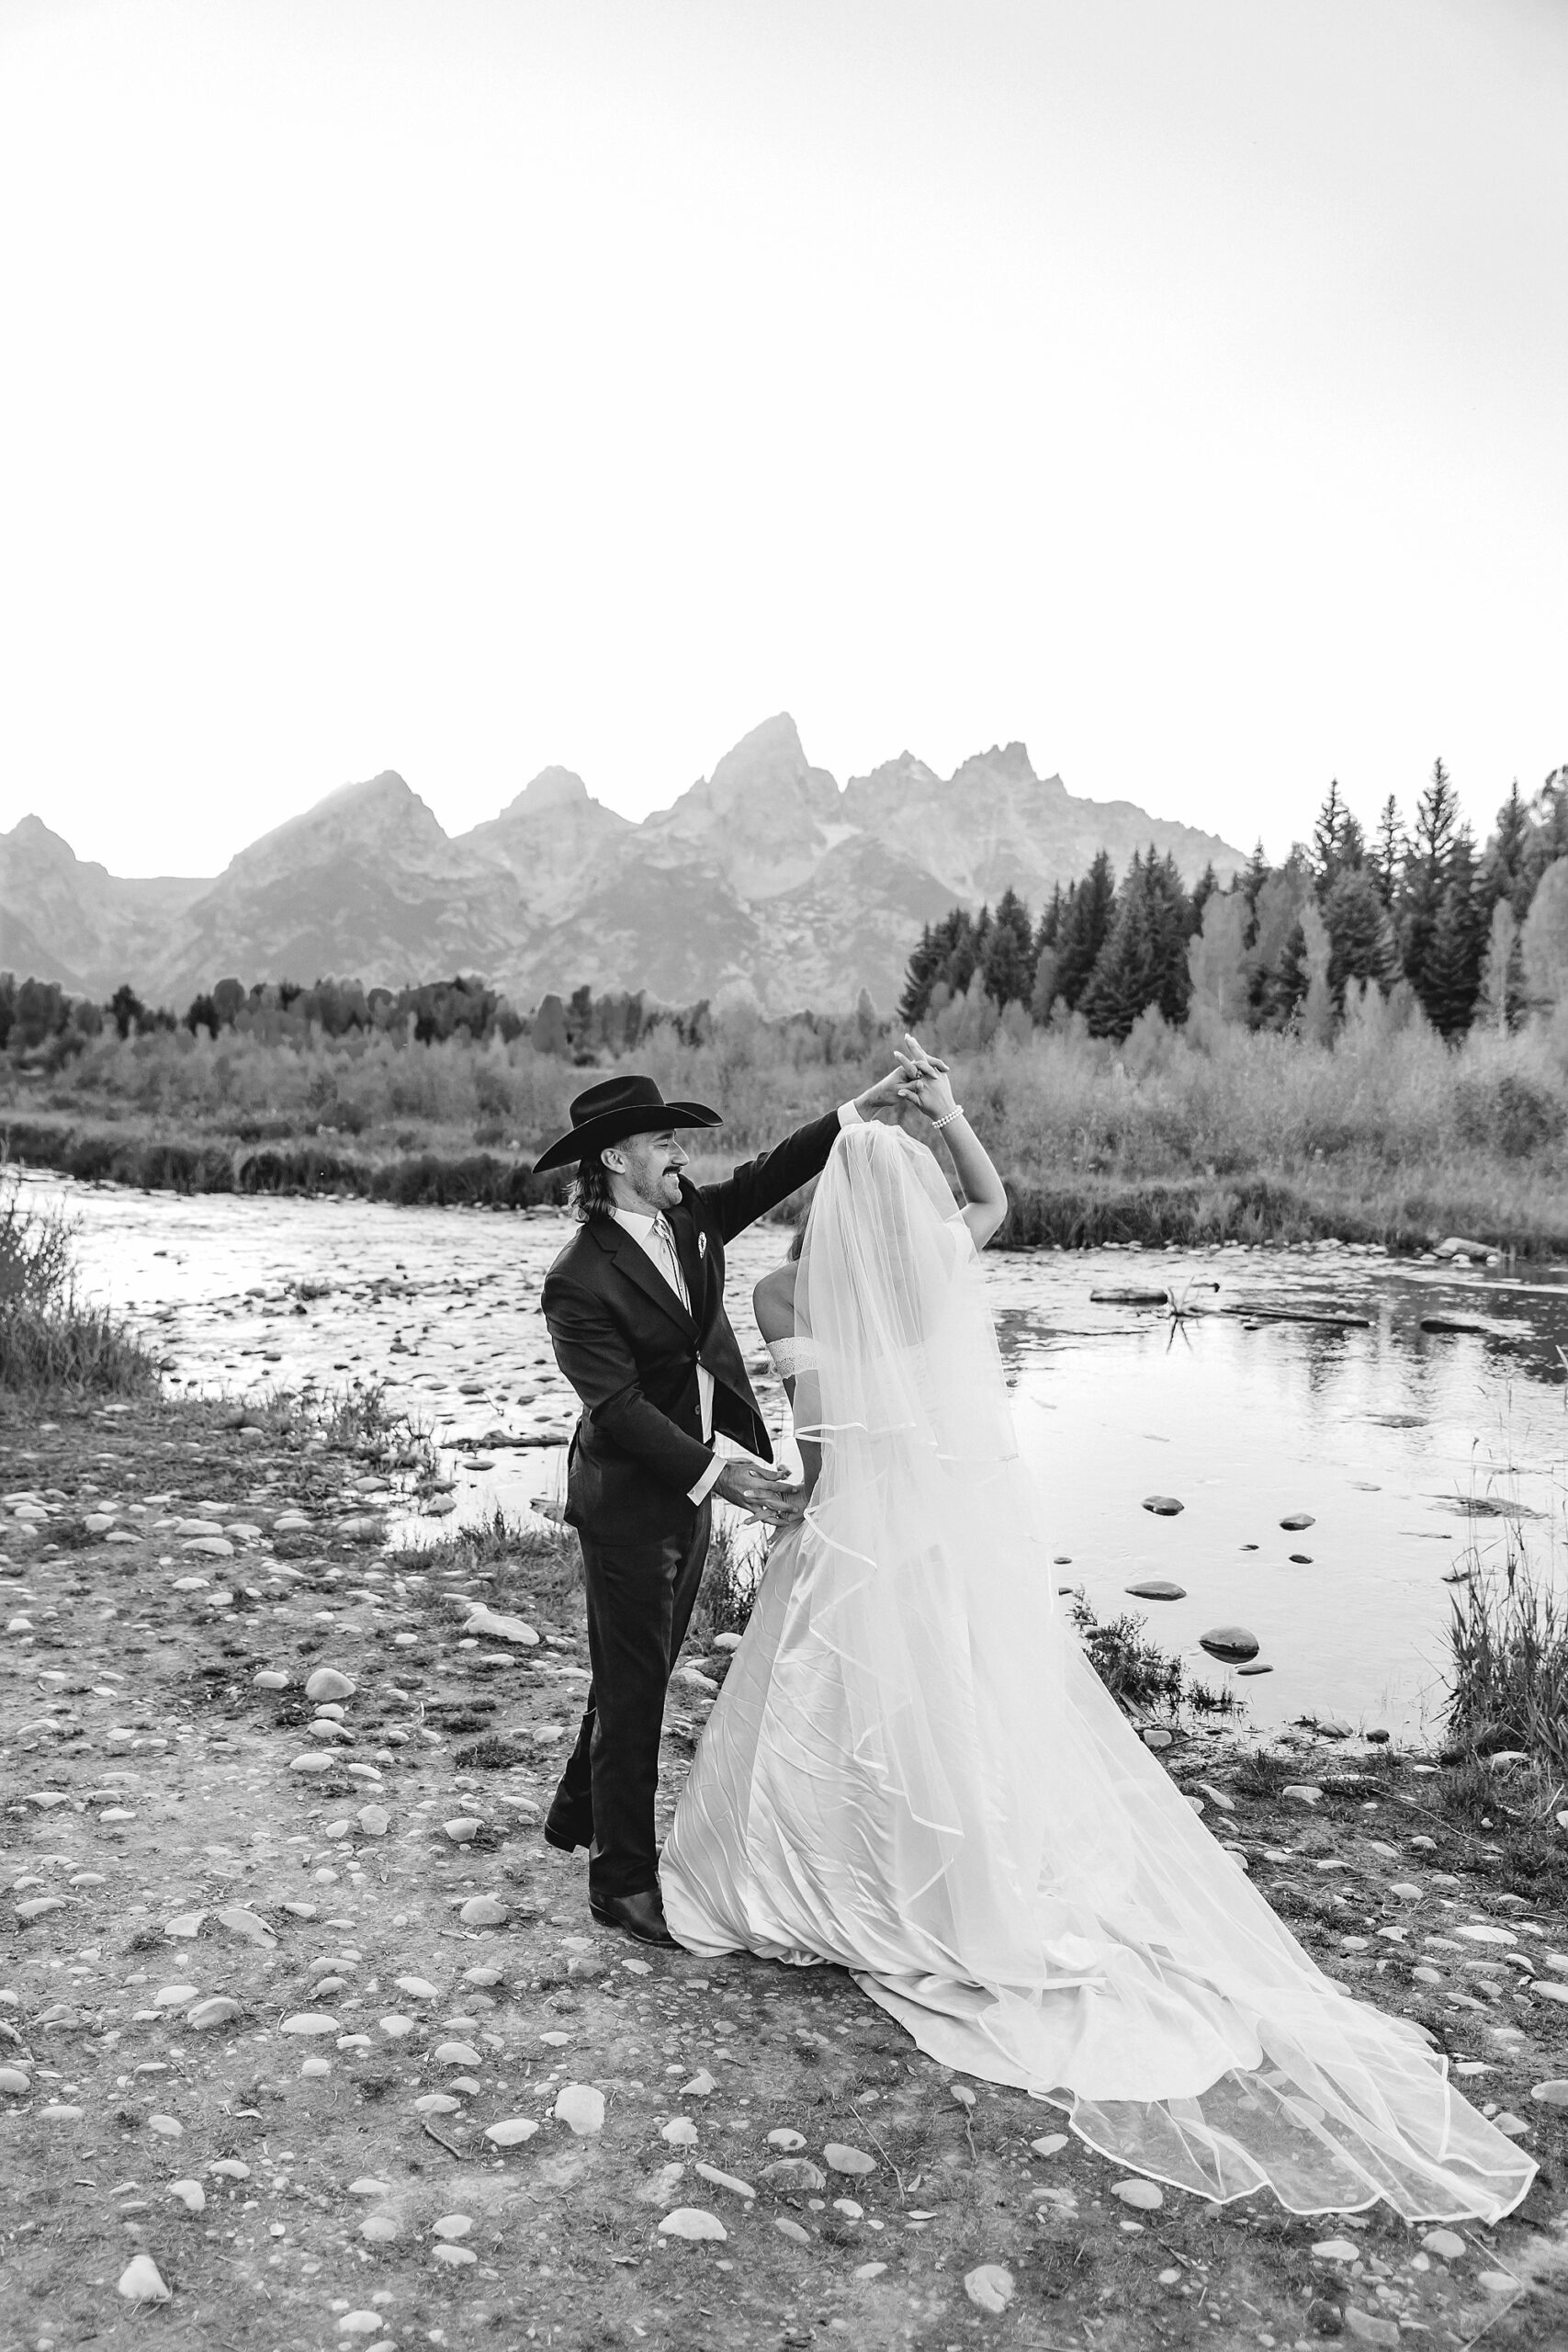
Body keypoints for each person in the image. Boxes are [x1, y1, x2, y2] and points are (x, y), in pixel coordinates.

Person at [660, 1042, 1536, 2222]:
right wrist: (952, 1110)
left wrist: (790, 1503)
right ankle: (952, 1881)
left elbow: (822, 1451)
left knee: (844, 1707)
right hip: (940, 1542)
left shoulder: (784, 1295)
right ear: (905, 1198)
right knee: (949, 1708)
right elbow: (992, 1202)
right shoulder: (932, 1274)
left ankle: (844, 1883)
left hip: (856, 1535)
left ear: (828, 1200)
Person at [534, 1063, 910, 1946]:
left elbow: (771, 1172)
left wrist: (867, 1106)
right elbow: (617, 1411)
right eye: (664, 1141)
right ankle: (619, 1884)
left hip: (691, 1490)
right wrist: (720, 1474)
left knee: (644, 1666)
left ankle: (575, 1806)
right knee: (635, 1694)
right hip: (629, 1502)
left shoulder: (689, 1219)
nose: (679, 1154)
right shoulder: (576, 1279)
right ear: (618, 1158)